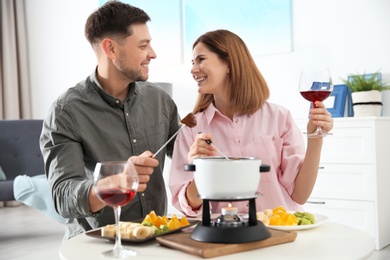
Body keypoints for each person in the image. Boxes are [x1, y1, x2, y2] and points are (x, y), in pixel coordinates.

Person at [40, 1, 181, 239]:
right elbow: (63, 197)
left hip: (155, 238)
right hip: (96, 244)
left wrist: (198, 151)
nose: (152, 54)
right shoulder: (66, 112)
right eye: (143, 45)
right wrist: (114, 183)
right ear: (111, 49)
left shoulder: (160, 100)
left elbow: (183, 155)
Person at [169, 29, 334, 217]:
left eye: (201, 59)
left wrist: (316, 138)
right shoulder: (191, 130)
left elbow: (300, 195)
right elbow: (188, 207)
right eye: (192, 62)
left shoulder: (279, 117)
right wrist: (203, 170)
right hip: (224, 238)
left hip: (279, 233)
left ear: (229, 63)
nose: (193, 69)